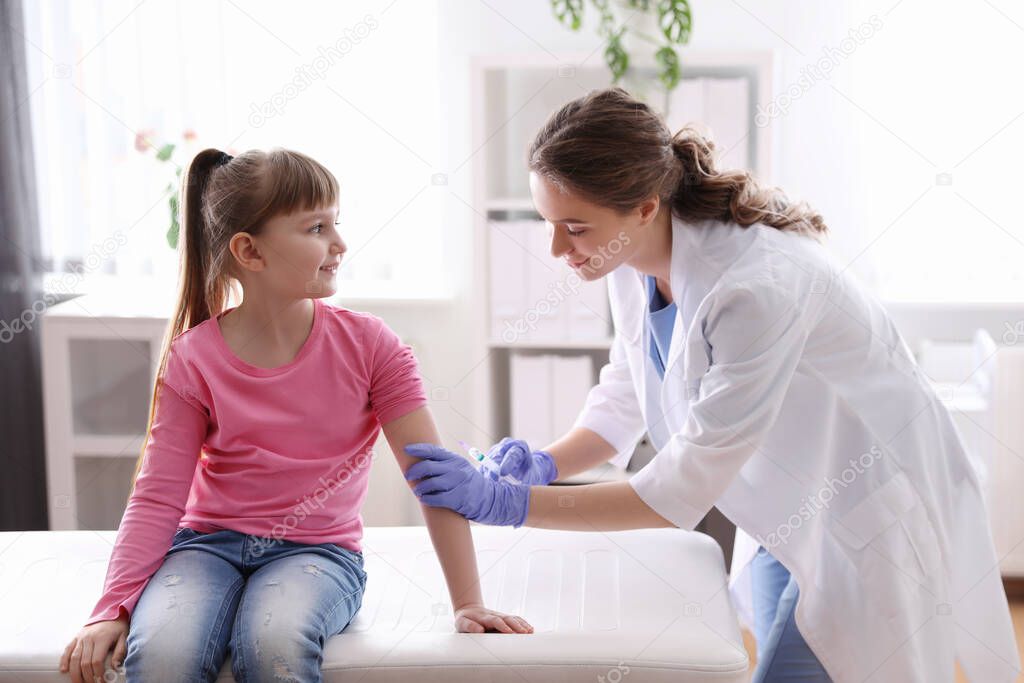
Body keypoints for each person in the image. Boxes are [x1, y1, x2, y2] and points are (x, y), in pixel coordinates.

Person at [403, 88, 1018, 682]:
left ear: (644, 207)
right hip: (790, 505)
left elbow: (674, 491)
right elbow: (626, 396)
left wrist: (506, 505)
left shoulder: (754, 286)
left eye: (574, 227)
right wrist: (542, 463)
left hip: (865, 514)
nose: (556, 247)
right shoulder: (631, 258)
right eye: (549, 223)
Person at [59, 147, 532, 683]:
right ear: (250, 252)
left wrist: (467, 601)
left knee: (273, 642)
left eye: (336, 223)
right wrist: (112, 608)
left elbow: (434, 478)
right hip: (204, 547)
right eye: (315, 228)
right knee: (163, 654)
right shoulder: (194, 357)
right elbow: (158, 494)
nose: (340, 244)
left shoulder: (373, 346)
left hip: (319, 553)